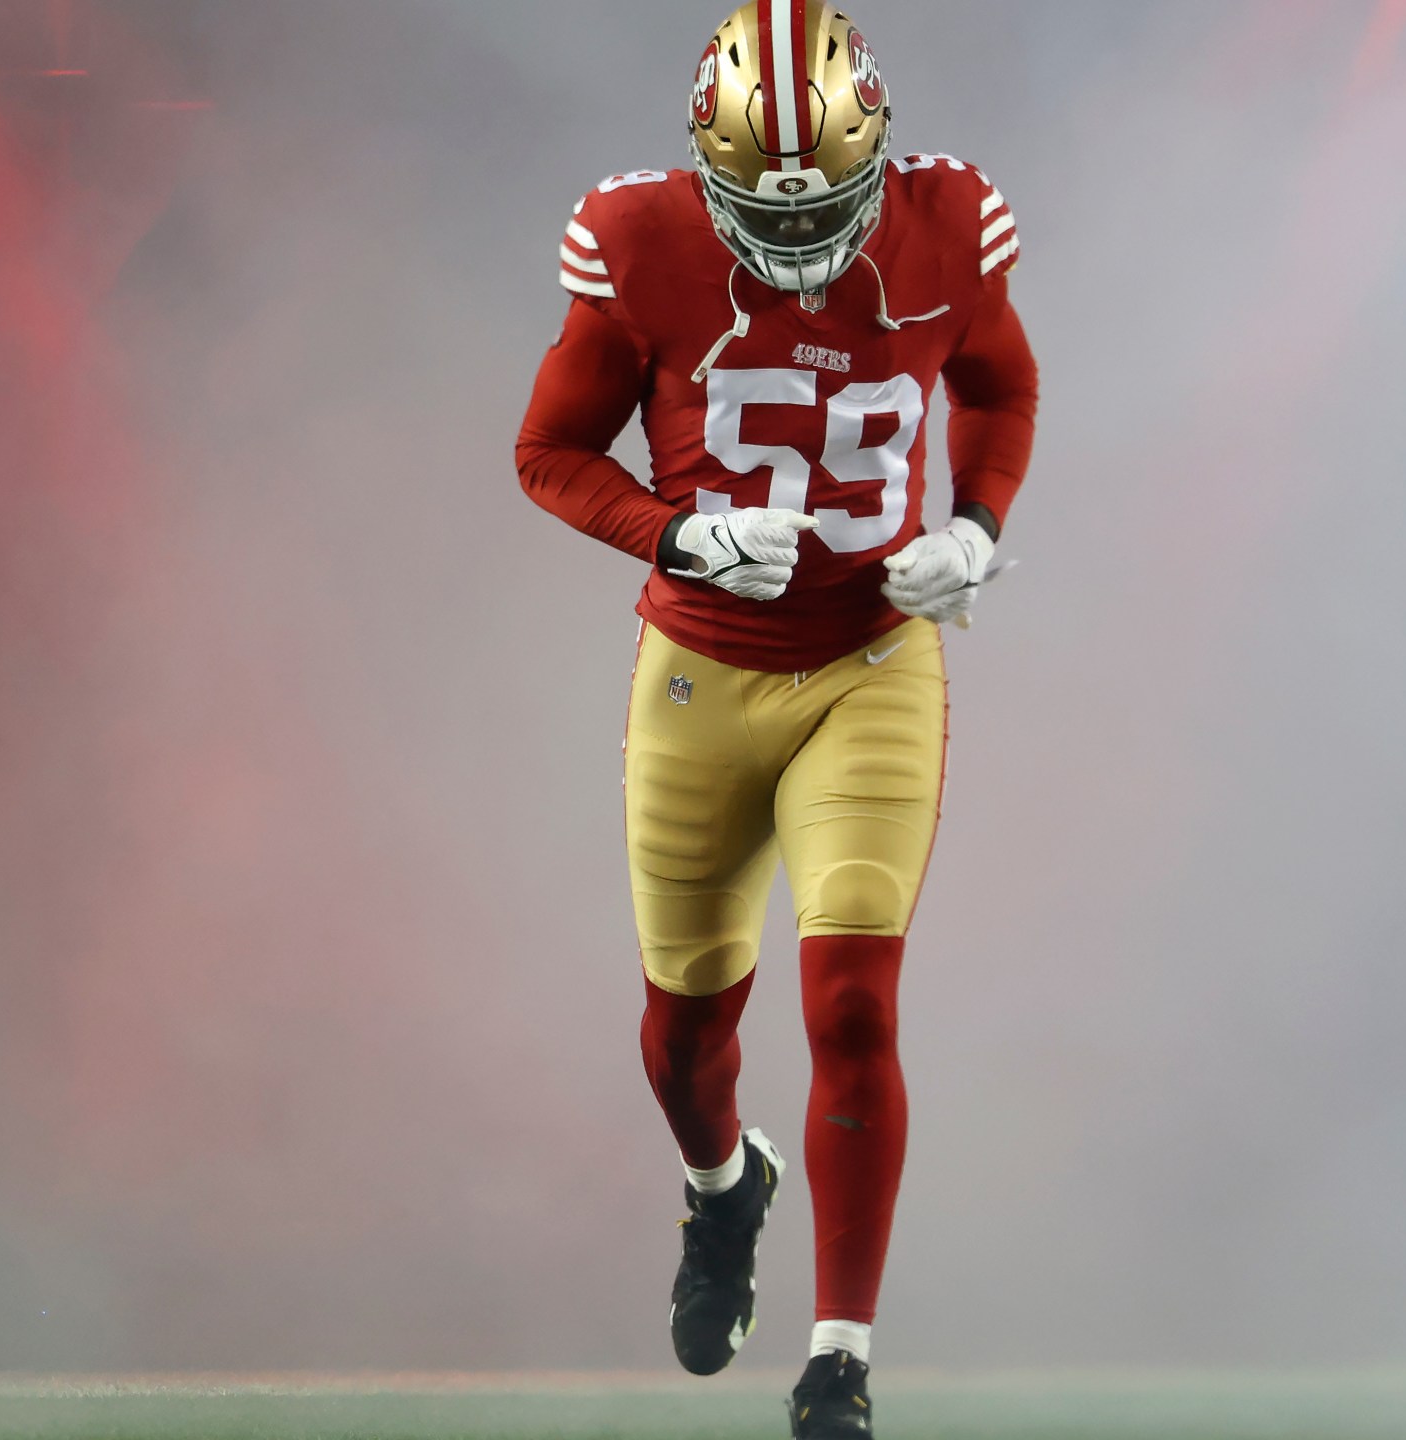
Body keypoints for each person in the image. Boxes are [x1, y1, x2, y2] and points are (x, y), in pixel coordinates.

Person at [513, 4, 1036, 1433]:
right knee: (686, 1036)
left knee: (854, 1002)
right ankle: (722, 1187)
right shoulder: (638, 237)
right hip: (700, 673)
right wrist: (674, 537)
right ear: (702, 169)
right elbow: (549, 450)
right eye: (754, 210)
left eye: (826, 209)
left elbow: (999, 383)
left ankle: (840, 1365)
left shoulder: (951, 218)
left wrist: (978, 529)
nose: (797, 248)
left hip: (872, 664)